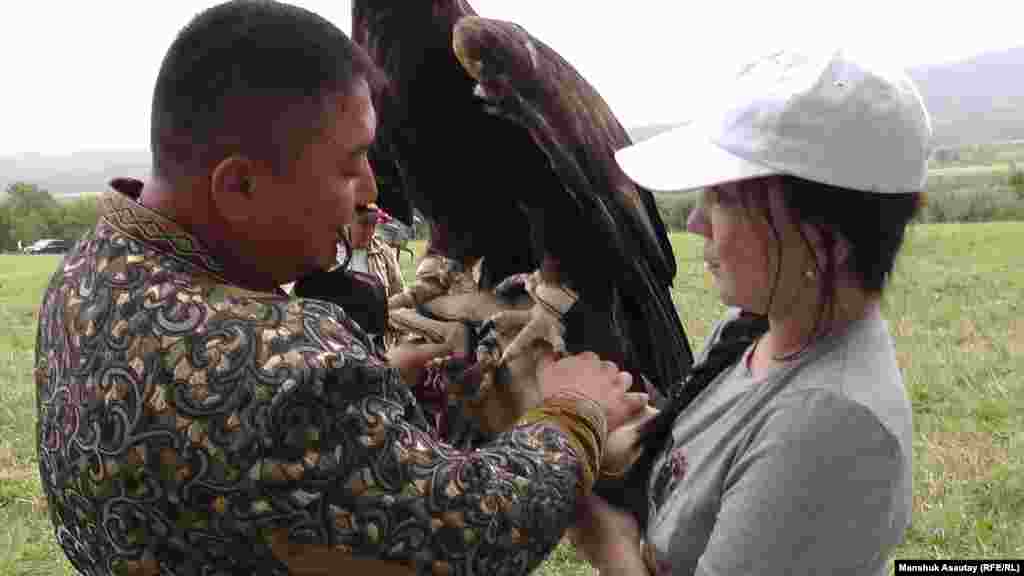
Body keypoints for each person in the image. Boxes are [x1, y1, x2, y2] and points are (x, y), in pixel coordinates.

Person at [32, 2, 647, 575]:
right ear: (239, 186)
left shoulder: (87, 275)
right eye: (350, 165)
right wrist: (575, 414)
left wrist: (379, 395)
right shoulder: (282, 361)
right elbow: (471, 535)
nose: (374, 192)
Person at [570, 48, 930, 575]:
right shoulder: (756, 332)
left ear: (824, 238)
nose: (695, 221)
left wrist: (595, 529)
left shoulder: (829, 426)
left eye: (722, 198)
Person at [344, 202, 405, 348]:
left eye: (373, 224)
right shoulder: (331, 253)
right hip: (343, 344)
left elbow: (399, 295)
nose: (370, 231)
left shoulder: (383, 251)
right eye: (364, 224)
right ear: (347, 221)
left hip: (379, 344)